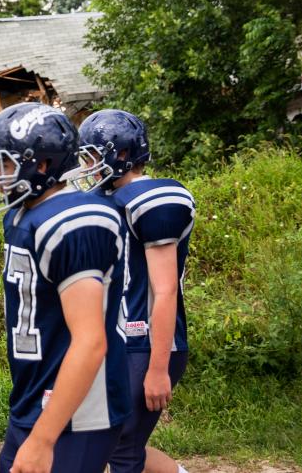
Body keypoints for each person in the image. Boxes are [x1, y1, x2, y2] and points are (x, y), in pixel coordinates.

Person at [0, 102, 130, 473]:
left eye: (3, 165)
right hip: (37, 396)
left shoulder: (75, 223)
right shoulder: (25, 213)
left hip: (79, 413)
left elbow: (90, 342)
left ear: (41, 165)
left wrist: (43, 439)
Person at [76, 110, 191, 473]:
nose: (88, 166)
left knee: (122, 446)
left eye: (93, 156)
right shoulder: (110, 198)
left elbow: (165, 289)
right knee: (113, 443)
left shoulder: (153, 199)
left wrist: (158, 368)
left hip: (147, 341)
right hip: (120, 339)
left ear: (120, 155)